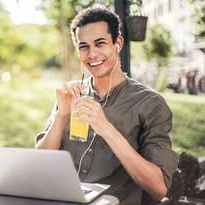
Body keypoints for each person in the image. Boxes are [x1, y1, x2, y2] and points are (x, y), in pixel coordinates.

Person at [35, 5, 178, 205]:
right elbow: (39, 165)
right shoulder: (71, 95)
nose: (92, 54)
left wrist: (106, 128)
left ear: (117, 43)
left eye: (100, 43)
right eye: (83, 46)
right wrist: (61, 116)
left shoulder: (150, 104)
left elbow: (158, 188)